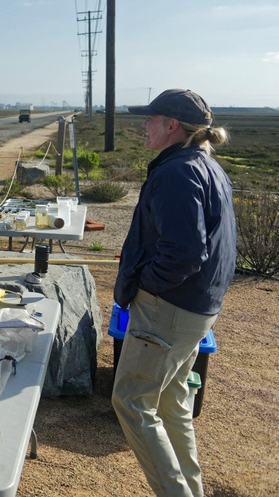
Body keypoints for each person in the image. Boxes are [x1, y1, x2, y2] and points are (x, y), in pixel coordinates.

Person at [111, 89, 236, 497]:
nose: (143, 125)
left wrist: (145, 283)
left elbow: (184, 253)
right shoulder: (206, 165)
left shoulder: (177, 172)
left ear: (172, 126)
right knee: (172, 401)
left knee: (131, 401)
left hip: (169, 309)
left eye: (151, 118)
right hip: (197, 308)